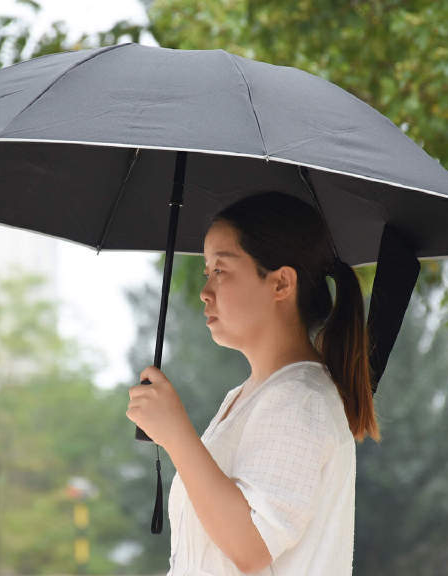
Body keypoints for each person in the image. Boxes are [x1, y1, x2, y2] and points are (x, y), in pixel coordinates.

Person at [126, 191, 381, 575]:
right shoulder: (250, 396)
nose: (204, 291)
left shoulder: (299, 399)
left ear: (281, 283)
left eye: (221, 271)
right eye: (206, 271)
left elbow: (252, 545)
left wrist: (176, 434)